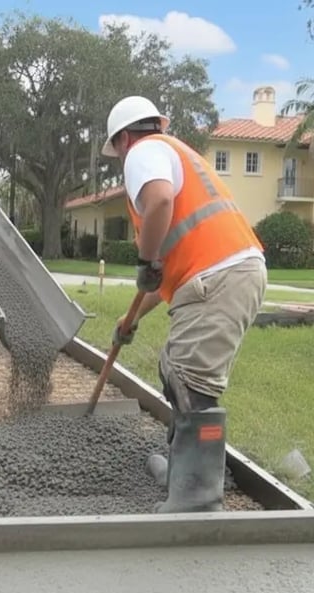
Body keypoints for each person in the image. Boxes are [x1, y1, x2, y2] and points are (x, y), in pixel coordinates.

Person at [101, 95, 268, 513]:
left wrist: (145, 260)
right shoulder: (177, 154)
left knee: (192, 382)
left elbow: (158, 201)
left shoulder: (144, 152)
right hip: (224, 271)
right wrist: (131, 315)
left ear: (122, 138)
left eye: (117, 148)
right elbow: (169, 271)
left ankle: (196, 498)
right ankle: (183, 472)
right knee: (174, 368)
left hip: (219, 275)